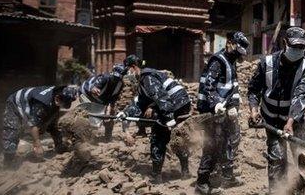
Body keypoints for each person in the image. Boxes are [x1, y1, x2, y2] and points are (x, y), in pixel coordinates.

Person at [247, 27, 305, 193]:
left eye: (302, 48)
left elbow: (301, 96)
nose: (298, 51)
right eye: (294, 46)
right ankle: (278, 191)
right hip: (271, 120)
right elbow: (254, 90)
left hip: (295, 122)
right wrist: (254, 111)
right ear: (285, 43)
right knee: (277, 161)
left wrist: (290, 122)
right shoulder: (267, 63)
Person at [120, 55, 191, 183]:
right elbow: (140, 104)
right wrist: (125, 113)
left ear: (133, 67)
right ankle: (185, 172)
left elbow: (162, 97)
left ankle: (156, 175)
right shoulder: (145, 79)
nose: (127, 75)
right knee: (177, 137)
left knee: (158, 137)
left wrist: (169, 119)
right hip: (179, 103)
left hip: (175, 105)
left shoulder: (147, 77)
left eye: (128, 71)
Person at [195, 31, 249, 194]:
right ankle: (202, 182)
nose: (239, 56)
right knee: (212, 144)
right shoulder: (218, 61)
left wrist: (234, 103)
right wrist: (216, 103)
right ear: (230, 43)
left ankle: (227, 176)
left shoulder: (231, 61)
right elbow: (208, 86)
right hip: (211, 111)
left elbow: (232, 86)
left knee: (228, 141)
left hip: (223, 110)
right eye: (237, 51)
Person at [2, 85, 78, 168]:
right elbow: (33, 125)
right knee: (13, 131)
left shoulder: (57, 94)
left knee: (51, 124)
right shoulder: (42, 102)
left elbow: (52, 125)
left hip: (42, 103)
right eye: (63, 102)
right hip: (15, 103)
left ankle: (59, 146)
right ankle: (8, 161)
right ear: (57, 98)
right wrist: (38, 145)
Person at [79, 64, 126, 140]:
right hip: (86, 94)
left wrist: (108, 111)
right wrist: (94, 89)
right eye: (114, 77)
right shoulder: (105, 78)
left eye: (118, 78)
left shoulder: (120, 84)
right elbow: (94, 89)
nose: (115, 80)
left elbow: (113, 100)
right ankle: (86, 137)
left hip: (101, 99)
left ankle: (108, 136)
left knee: (110, 116)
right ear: (112, 73)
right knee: (92, 116)